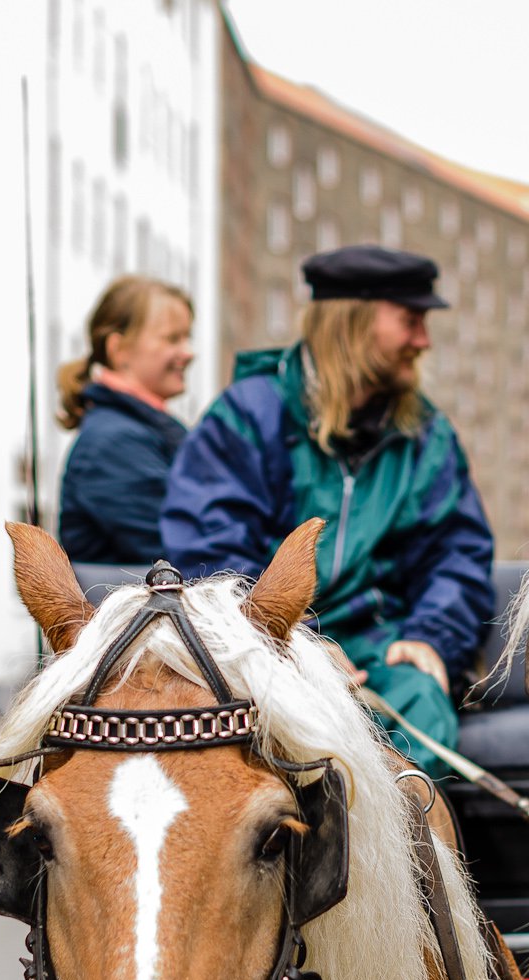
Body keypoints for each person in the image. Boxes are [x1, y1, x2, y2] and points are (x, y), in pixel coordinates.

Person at [161, 244, 494, 773]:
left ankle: (401, 857)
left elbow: (457, 555)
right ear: (353, 323)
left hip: (380, 655)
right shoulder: (247, 417)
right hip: (265, 650)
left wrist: (431, 636)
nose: (423, 341)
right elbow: (210, 557)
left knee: (421, 705)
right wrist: (296, 645)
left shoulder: (427, 435)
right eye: (411, 320)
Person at [57, 276, 195, 565]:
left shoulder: (141, 432)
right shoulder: (113, 445)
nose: (188, 353)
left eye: (187, 337)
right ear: (119, 350)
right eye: (172, 338)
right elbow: (185, 551)